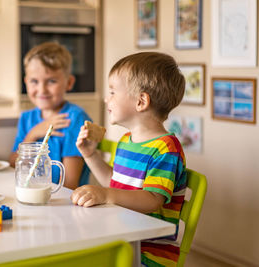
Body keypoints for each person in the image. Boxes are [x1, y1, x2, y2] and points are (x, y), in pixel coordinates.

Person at [71, 52, 187, 267]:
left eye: (113, 91)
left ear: (141, 101)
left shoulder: (166, 148)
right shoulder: (126, 141)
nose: (107, 98)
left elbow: (152, 199)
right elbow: (113, 183)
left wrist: (106, 195)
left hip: (147, 252)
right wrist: (90, 154)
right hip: (121, 236)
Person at [9, 42, 91, 190]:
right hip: (32, 195)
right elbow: (13, 164)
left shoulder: (74, 119)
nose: (42, 89)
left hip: (63, 201)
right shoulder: (27, 118)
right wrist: (33, 134)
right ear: (26, 82)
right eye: (34, 81)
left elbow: (69, 184)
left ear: (69, 82)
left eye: (51, 81)